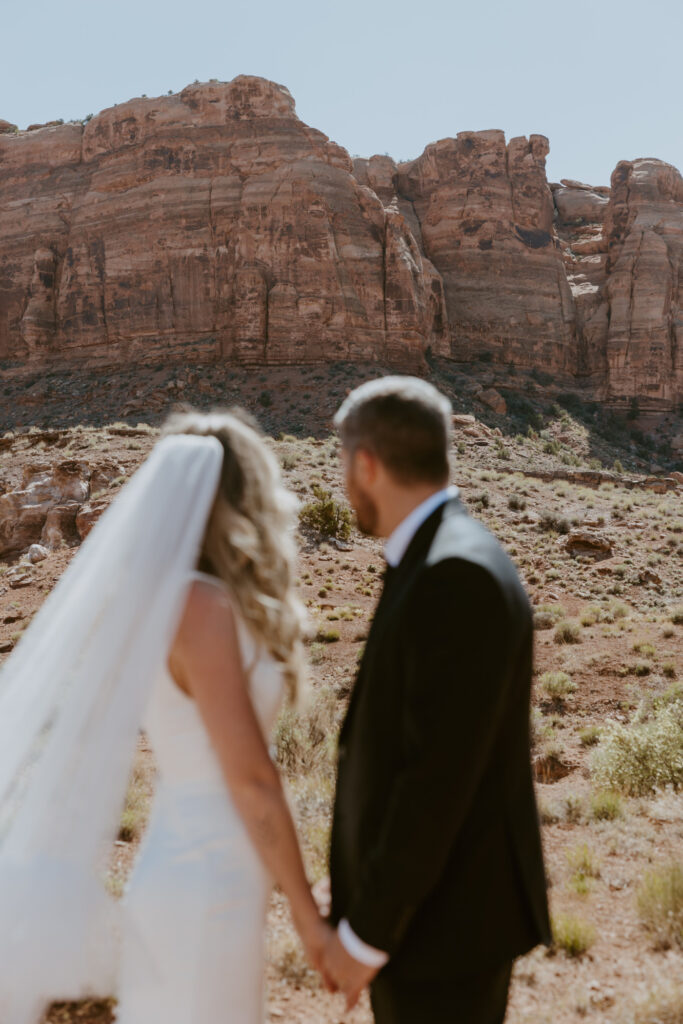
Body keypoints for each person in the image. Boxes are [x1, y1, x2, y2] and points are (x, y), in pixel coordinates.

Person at [0, 408, 332, 1024]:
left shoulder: (195, 600)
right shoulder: (196, 605)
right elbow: (253, 777)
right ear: (243, 498)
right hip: (204, 881)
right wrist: (309, 916)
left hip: (218, 874)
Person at [321, 377, 552, 1024]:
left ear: (366, 463)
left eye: (343, 464)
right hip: (433, 918)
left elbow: (435, 781)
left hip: (443, 930)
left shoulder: (454, 574)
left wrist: (368, 932)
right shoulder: (442, 555)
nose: (343, 481)